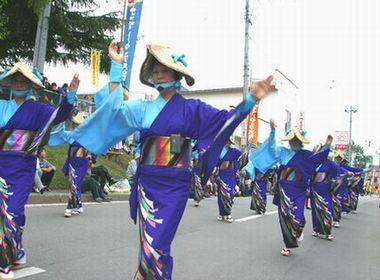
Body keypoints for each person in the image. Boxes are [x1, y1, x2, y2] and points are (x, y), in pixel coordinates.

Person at [69, 40, 277, 279]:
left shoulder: (192, 109)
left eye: (163, 70)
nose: (158, 75)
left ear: (176, 74)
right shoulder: (142, 108)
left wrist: (251, 99)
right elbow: (114, 111)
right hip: (147, 183)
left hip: (175, 184)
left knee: (157, 244)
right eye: (155, 71)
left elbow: (224, 121)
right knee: (149, 246)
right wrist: (117, 67)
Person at [0, 62, 77, 279]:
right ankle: (10, 257)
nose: (19, 83)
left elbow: (60, 115)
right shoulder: (1, 105)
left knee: (13, 212)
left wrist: (70, 95)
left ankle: (9, 256)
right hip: (0, 165)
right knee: (1, 216)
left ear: (32, 85)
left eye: (24, 80)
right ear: (11, 83)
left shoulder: (39, 109)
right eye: (16, 80)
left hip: (23, 168)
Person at [244, 120, 331, 256]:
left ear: (301, 142)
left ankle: (299, 229)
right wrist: (272, 130)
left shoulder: (307, 155)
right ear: (289, 141)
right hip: (284, 188)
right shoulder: (282, 152)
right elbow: (271, 148)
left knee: (298, 216)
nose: (294, 142)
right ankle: (287, 245)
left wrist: (326, 147)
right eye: (292, 140)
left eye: (296, 140)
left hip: (298, 189)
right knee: (284, 217)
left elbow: (318, 159)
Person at [215, 140, 242, 222]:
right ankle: (221, 214)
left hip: (230, 175)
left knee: (230, 194)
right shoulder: (219, 150)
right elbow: (215, 162)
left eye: (229, 142)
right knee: (221, 196)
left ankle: (228, 213)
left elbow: (241, 155)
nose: (227, 143)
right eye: (226, 141)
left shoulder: (234, 151)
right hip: (222, 174)